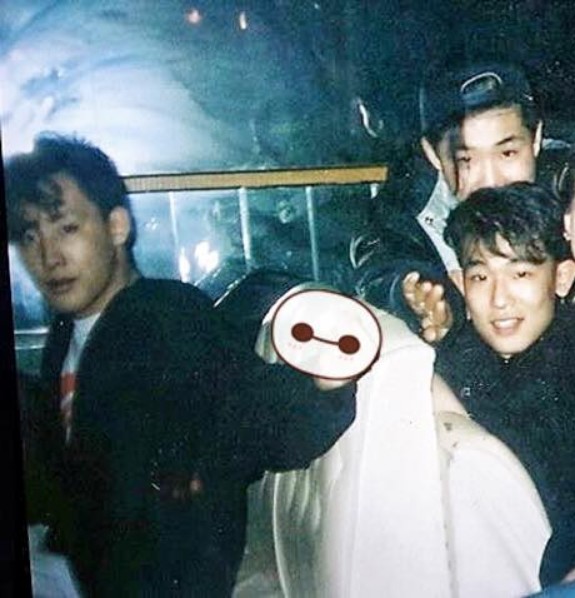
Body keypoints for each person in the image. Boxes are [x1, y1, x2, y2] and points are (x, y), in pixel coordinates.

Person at [4, 133, 357, 597]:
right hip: (83, 564)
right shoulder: (70, 332)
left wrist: (328, 385)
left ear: (116, 226)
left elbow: (254, 416)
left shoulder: (164, 318)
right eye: (30, 237)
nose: (49, 257)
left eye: (66, 228)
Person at [351, 58, 564, 343]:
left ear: (536, 139)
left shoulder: (569, 186)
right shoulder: (406, 210)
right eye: (466, 160)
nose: (492, 181)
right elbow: (382, 264)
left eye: (508, 153)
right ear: (433, 155)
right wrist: (423, 295)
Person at [433, 182, 575, 586]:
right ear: (461, 285)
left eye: (521, 273)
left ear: (562, 277)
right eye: (481, 276)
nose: (499, 299)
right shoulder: (457, 354)